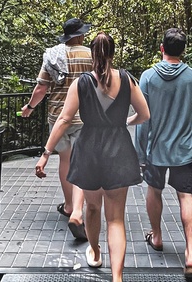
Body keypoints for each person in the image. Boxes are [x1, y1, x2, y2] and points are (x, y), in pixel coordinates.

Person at [34, 32, 150, 282]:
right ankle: (117, 277)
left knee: (94, 208)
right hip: (119, 149)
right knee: (116, 218)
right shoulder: (128, 80)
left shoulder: (81, 83)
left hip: (89, 150)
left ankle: (95, 252)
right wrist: (124, 122)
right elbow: (145, 115)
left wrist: (45, 154)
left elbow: (64, 119)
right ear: (112, 53)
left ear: (92, 54)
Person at [135, 28, 192, 282]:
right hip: (185, 149)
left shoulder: (148, 77)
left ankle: (157, 237)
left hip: (156, 148)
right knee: (186, 196)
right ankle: (191, 257)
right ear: (183, 50)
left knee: (154, 190)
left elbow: (142, 119)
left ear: (162, 48)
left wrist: (140, 153)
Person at [21, 17, 92, 240]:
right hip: (85, 116)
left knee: (66, 160)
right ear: (80, 35)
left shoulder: (53, 55)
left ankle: (69, 205)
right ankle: (78, 212)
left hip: (58, 117)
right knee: (82, 163)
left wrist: (30, 107)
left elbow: (42, 88)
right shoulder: (91, 55)